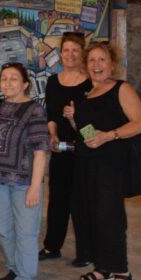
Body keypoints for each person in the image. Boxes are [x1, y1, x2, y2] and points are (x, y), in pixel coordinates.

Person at [70, 42, 141, 280]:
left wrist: (109, 136)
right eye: (91, 60)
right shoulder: (86, 95)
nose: (96, 65)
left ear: (112, 64)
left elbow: (140, 124)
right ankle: (103, 269)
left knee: (109, 218)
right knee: (91, 216)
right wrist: (74, 120)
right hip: (89, 164)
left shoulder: (121, 89)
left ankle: (124, 274)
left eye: (101, 60)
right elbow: (89, 133)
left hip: (113, 165)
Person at [0, 63, 50, 280]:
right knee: (3, 228)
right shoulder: (0, 106)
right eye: (4, 79)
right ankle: (13, 269)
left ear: (25, 84)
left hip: (23, 183)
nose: (7, 83)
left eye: (13, 79)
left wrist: (35, 186)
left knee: (26, 232)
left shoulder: (34, 111)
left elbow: (41, 151)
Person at [41, 32, 92, 266]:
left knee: (83, 202)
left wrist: (77, 119)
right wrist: (52, 134)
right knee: (57, 200)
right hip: (61, 150)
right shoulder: (53, 82)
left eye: (75, 50)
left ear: (82, 53)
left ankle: (86, 252)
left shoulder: (91, 83)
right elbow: (51, 114)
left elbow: (96, 122)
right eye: (66, 50)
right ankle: (52, 246)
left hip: (86, 150)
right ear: (60, 54)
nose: (70, 55)